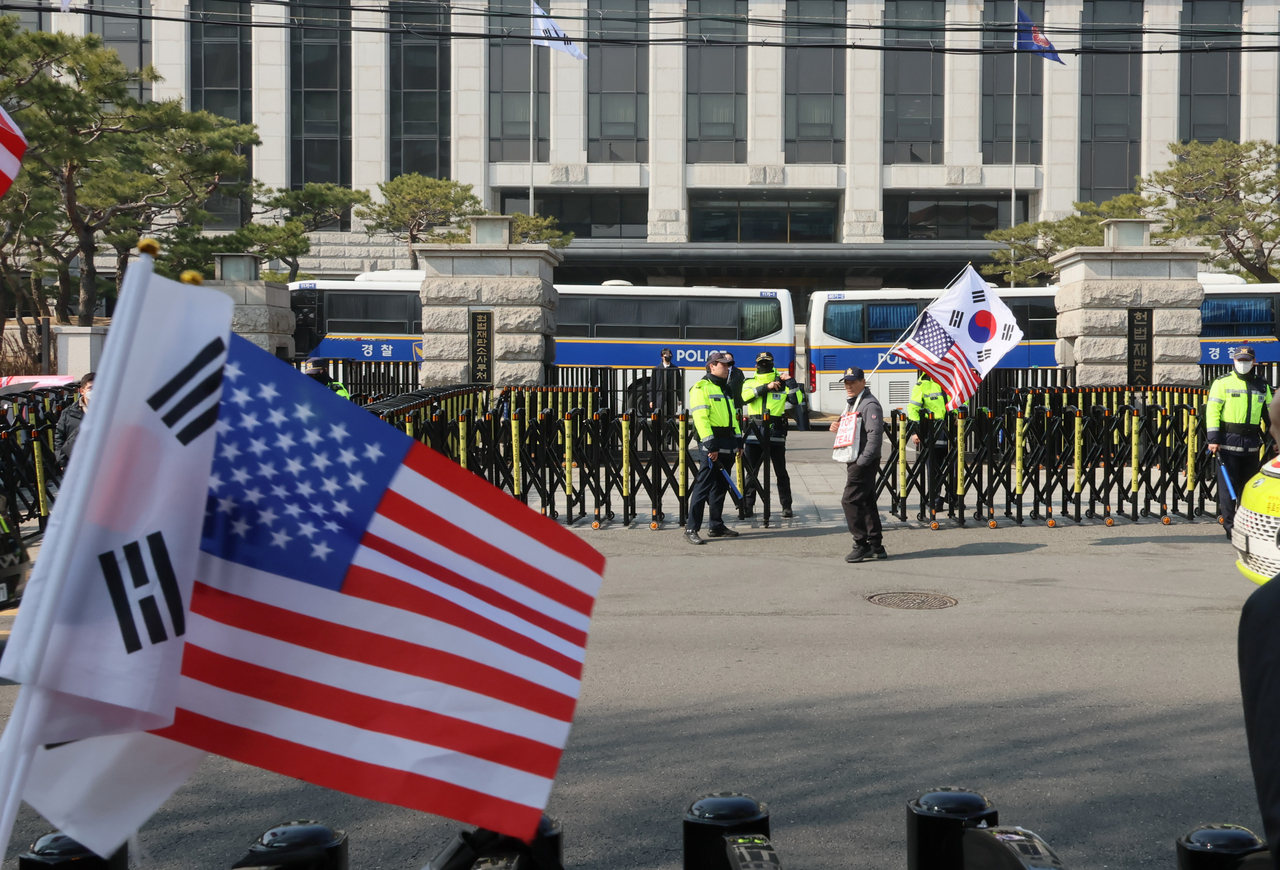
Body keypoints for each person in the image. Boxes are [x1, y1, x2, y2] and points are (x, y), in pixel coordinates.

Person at [1207, 346, 1272, 537]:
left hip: (1251, 444)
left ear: (1254, 362)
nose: (1243, 364)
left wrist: (1275, 439)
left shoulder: (1262, 385)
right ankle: (1230, 527)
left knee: (1248, 488)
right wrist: (1213, 439)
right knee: (1228, 489)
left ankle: (1246, 526)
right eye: (1240, 360)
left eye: (1247, 361)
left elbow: (1270, 416)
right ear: (1234, 361)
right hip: (1227, 443)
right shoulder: (1222, 383)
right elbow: (1212, 412)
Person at [685, 351, 743, 545]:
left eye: (728, 365)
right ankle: (691, 528)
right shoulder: (701, 388)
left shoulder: (725, 389)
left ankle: (716, 525)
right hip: (712, 444)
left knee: (720, 487)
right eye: (724, 365)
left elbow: (733, 418)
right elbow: (701, 419)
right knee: (703, 487)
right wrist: (710, 445)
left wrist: (738, 441)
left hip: (727, 443)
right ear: (712, 366)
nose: (727, 368)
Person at [829, 367, 886, 563]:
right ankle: (876, 545)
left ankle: (861, 544)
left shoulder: (869, 405)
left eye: (853, 382)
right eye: (846, 382)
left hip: (862, 461)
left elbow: (874, 438)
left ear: (863, 382)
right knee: (866, 500)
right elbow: (850, 430)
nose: (849, 386)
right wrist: (837, 428)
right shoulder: (853, 404)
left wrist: (861, 462)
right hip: (855, 458)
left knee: (849, 500)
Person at [740, 351, 796, 518]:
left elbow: (796, 400)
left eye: (767, 362)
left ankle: (786, 506)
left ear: (772, 364)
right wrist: (767, 387)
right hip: (754, 433)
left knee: (781, 471)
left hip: (776, 432)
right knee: (751, 472)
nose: (764, 365)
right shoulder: (749, 382)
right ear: (756, 365)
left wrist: (791, 382)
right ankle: (748, 506)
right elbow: (745, 397)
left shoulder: (783, 381)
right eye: (761, 362)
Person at [906, 369, 949, 512]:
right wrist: (915, 431)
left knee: (955, 468)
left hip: (951, 431)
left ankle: (953, 496)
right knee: (934, 468)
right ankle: (935, 499)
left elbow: (962, 401)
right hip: (932, 431)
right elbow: (913, 409)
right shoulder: (922, 385)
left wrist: (958, 414)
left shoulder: (951, 381)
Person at [54, 371, 93, 467]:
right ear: (82, 391)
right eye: (90, 388)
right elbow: (59, 439)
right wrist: (62, 463)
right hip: (76, 466)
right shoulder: (68, 413)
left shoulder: (110, 413)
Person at [649, 348, 682, 415]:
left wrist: (680, 398)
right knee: (659, 416)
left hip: (671, 397)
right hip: (660, 397)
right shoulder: (656, 369)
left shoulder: (675, 369)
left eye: (669, 354)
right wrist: (651, 400)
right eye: (666, 354)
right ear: (662, 356)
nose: (668, 356)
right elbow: (652, 385)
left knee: (671, 417)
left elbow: (679, 384)